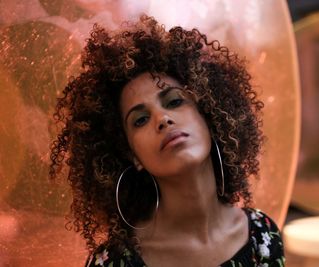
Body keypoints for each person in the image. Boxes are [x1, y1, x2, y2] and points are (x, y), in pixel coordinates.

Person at [50, 15, 285, 267]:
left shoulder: (261, 234)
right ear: (133, 156)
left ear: (209, 116)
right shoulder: (114, 262)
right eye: (140, 120)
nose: (162, 119)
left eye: (174, 101)